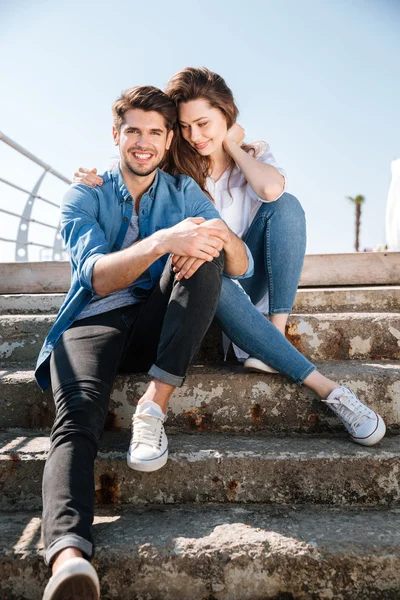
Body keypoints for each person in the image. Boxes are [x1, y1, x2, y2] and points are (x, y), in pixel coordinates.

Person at [74, 67, 386, 453]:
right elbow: (137, 162)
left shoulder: (254, 154)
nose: (195, 136)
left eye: (205, 123)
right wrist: (96, 178)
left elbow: (270, 189)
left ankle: (275, 333)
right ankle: (331, 391)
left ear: (227, 115)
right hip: (197, 289)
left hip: (246, 277)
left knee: (285, 205)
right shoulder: (175, 165)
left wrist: (236, 147)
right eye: (185, 126)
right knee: (208, 262)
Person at [35, 85, 252, 600]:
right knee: (76, 419)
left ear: (168, 137)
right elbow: (97, 277)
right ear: (116, 134)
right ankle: (69, 559)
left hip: (156, 322)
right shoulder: (84, 193)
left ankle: (154, 406)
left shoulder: (182, 190)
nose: (144, 142)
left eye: (156, 131)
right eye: (133, 130)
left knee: (206, 251)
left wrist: (213, 236)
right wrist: (163, 240)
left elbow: (240, 265)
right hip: (92, 321)